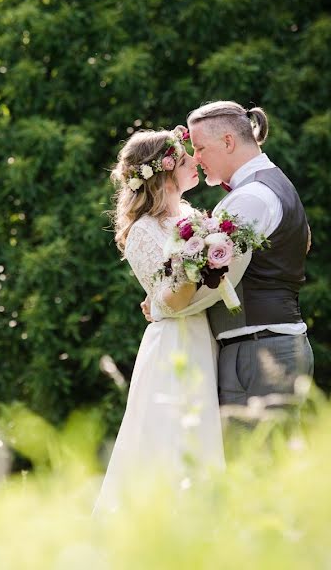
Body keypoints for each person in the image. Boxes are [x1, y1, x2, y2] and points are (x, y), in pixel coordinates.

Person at [94, 125, 236, 514]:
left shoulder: (192, 217)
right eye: (186, 157)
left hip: (202, 335)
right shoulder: (142, 231)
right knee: (171, 439)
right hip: (175, 343)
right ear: (163, 170)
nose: (196, 161)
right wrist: (196, 265)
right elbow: (168, 300)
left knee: (204, 435)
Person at [142, 101, 314, 414]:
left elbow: (218, 280)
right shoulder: (272, 185)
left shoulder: (249, 199)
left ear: (228, 141)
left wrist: (160, 305)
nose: (195, 158)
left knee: (252, 459)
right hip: (269, 345)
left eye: (200, 147)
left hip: (257, 352)